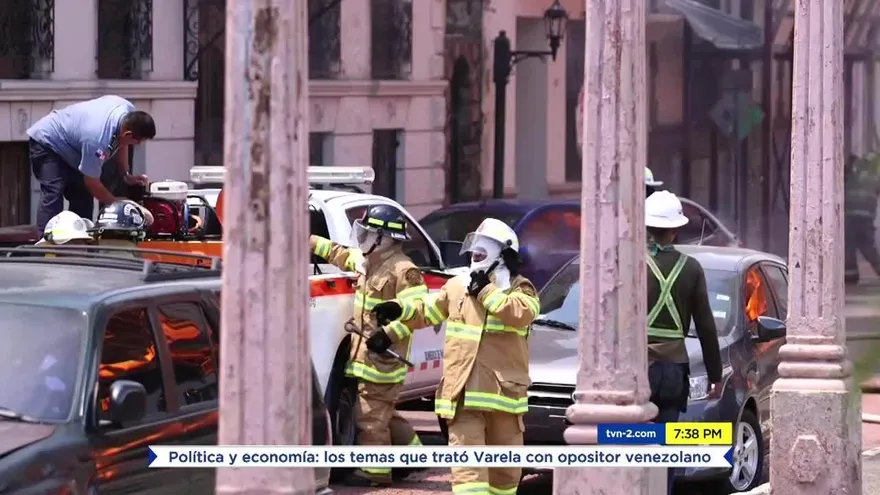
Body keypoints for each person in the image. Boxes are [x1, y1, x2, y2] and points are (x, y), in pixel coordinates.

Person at [371, 218, 539, 495]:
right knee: (468, 475)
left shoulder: (521, 288)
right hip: (462, 395)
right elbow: (428, 311)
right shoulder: (458, 285)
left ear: (504, 254)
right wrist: (395, 318)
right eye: (475, 249)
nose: (476, 255)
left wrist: (485, 290)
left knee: (505, 476)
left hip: (504, 399)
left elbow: (519, 314)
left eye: (484, 249)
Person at [309, 205, 429, 487]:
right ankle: (415, 456)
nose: (363, 237)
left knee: (370, 417)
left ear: (384, 237)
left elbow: (421, 309)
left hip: (383, 361)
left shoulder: (404, 270)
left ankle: (376, 473)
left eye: (370, 232)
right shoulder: (369, 260)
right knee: (384, 412)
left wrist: (388, 333)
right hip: (366, 357)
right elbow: (339, 253)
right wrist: (309, 240)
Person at [644, 191, 723, 494]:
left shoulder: (632, 266)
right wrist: (715, 375)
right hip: (674, 372)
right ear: (675, 229)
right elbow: (706, 326)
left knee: (628, 441)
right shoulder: (691, 269)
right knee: (666, 444)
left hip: (638, 370)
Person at [27, 95, 155, 232]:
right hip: (48, 141)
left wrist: (125, 174)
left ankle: (79, 244)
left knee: (83, 200)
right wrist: (118, 204)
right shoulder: (97, 140)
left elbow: (122, 143)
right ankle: (46, 247)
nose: (138, 144)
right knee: (54, 192)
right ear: (128, 134)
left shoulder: (128, 113)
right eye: (138, 142)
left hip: (74, 150)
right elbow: (91, 181)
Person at [844, 152, 880, 285]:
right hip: (865, 217)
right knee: (867, 248)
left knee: (849, 247)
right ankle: (850, 276)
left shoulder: (852, 174)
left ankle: (850, 277)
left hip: (850, 216)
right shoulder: (873, 176)